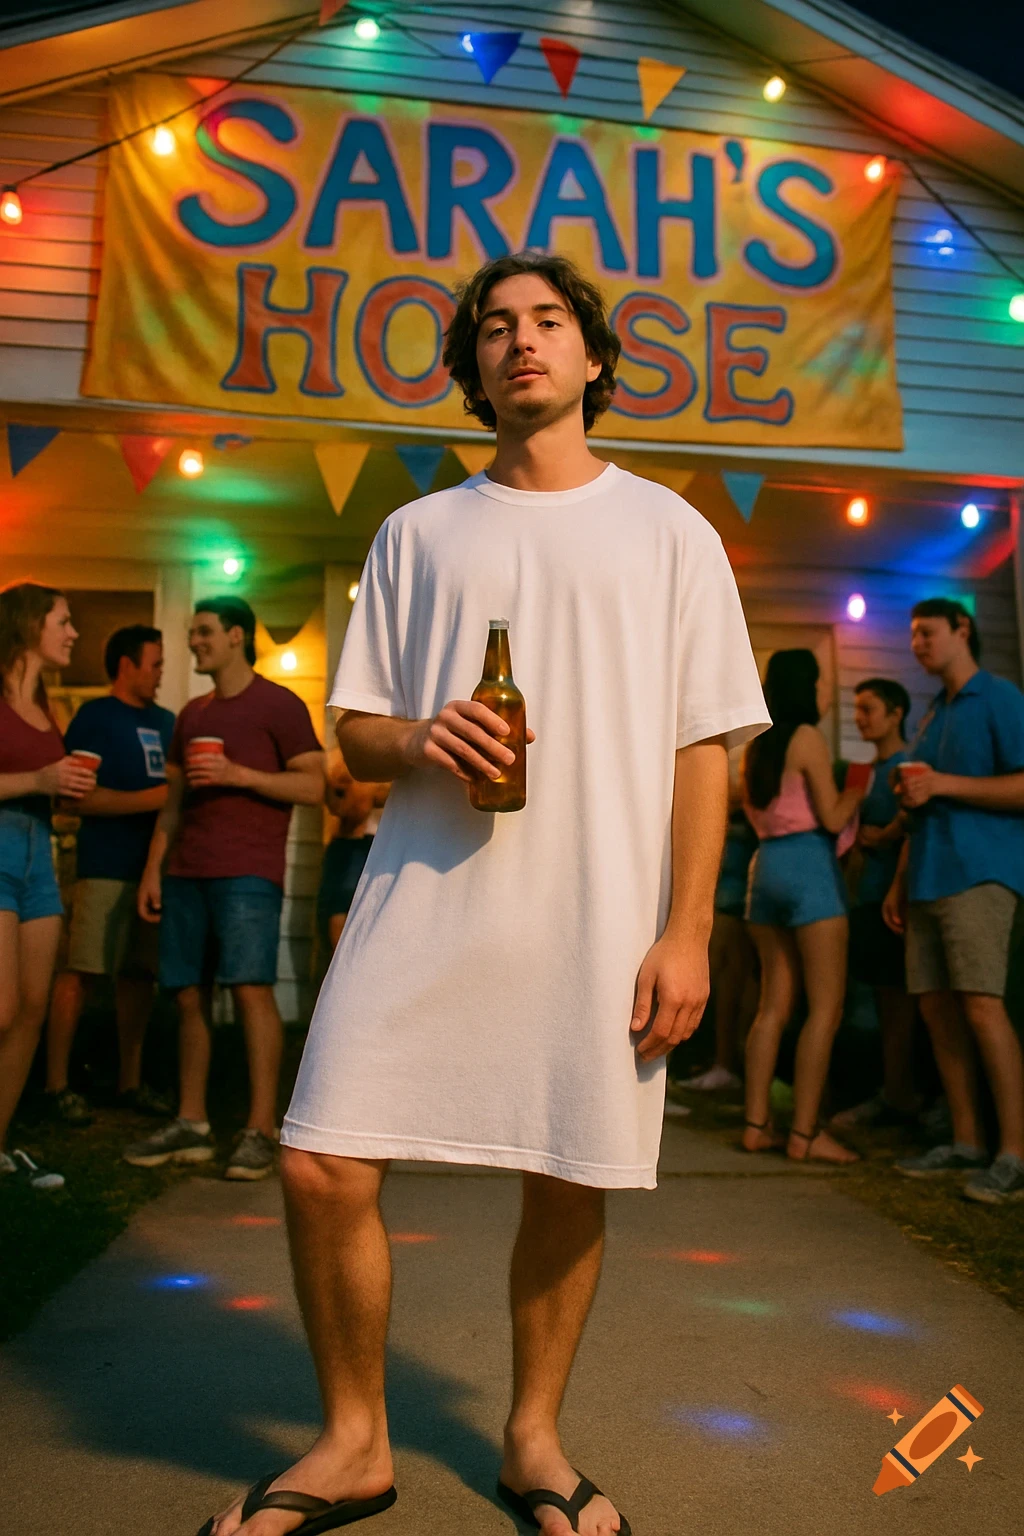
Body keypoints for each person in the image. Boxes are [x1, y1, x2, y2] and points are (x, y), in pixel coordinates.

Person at [196, 250, 769, 1536]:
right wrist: (424, 737)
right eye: (496, 328)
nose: (523, 341)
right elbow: (355, 732)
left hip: (598, 914)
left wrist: (687, 930)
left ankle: (532, 1440)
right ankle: (353, 1445)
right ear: (471, 370)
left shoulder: (671, 529)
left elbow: (702, 747)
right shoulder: (418, 532)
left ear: (592, 357)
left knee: (568, 1173)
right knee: (321, 1159)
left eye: (548, 322)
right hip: (426, 898)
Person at [125, 596, 324, 1183]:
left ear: (238, 635)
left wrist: (239, 774)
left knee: (249, 991)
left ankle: (260, 1130)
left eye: (205, 632)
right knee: (187, 995)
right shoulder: (191, 714)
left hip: (247, 873)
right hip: (186, 870)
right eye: (192, 634)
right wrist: (153, 870)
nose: (194, 642)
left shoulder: (278, 705)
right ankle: (192, 1122)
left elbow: (313, 785)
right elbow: (174, 803)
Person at [884, 598, 1024, 1204]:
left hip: (980, 873)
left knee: (981, 1006)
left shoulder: (997, 697)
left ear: (962, 629)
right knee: (937, 1011)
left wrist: (941, 783)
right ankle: (966, 1140)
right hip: (927, 878)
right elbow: (922, 807)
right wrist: (897, 883)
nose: (917, 644)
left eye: (927, 633)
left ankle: (1013, 1154)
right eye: (912, 636)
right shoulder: (931, 713)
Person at [740, 649, 869, 1164]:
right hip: (809, 869)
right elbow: (835, 818)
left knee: (772, 1006)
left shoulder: (757, 744)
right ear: (806, 686)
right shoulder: (807, 738)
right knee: (825, 1008)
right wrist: (859, 788)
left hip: (763, 867)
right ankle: (805, 1133)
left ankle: (755, 1125)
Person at [44, 625, 175, 1124]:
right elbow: (75, 797)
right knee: (81, 972)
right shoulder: (95, 718)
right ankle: (56, 1083)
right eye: (155, 663)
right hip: (101, 865)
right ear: (127, 665)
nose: (160, 672)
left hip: (153, 871)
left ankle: (130, 1080)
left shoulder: (167, 722)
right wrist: (159, 798)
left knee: (139, 975)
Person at [0, 582, 96, 1191]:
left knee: (34, 1006)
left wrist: (60, 791)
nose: (73, 632)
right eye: (63, 620)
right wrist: (38, 776)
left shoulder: (46, 703)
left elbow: (37, 783)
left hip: (41, 849)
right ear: (31, 623)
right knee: (3, 1005)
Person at [831, 678, 918, 1130]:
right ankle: (888, 1091)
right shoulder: (863, 772)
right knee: (877, 1001)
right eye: (857, 709)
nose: (859, 718)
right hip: (864, 895)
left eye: (868, 709)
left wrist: (886, 835)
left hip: (895, 898)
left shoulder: (908, 765)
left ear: (896, 713)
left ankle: (899, 1094)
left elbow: (917, 821)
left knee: (896, 1001)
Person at [678, 756, 758, 1092]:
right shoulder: (740, 751)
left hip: (744, 876)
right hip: (730, 879)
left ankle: (726, 1062)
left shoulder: (754, 751)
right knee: (727, 977)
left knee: (735, 979)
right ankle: (723, 1061)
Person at [317, 756, 388, 956]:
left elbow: (356, 807)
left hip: (361, 846)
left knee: (343, 921)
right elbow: (355, 807)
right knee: (342, 920)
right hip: (355, 847)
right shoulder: (349, 758)